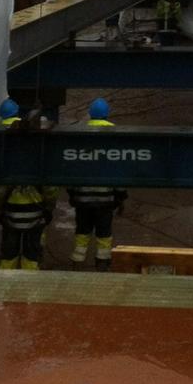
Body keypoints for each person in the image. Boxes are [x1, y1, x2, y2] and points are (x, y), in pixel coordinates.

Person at [0, 102, 58, 270]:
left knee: (8, 255)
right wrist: (49, 208)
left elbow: (0, 191)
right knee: (31, 255)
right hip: (35, 214)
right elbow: (50, 188)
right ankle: (27, 289)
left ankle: (4, 286)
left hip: (10, 213)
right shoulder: (37, 151)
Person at [68, 97, 127, 269]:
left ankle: (77, 262)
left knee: (82, 231)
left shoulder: (79, 132)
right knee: (104, 234)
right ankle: (102, 263)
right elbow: (120, 168)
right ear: (107, 114)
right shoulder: (116, 133)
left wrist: (72, 192)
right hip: (106, 198)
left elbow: (71, 165)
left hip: (82, 198)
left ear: (90, 113)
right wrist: (120, 195)